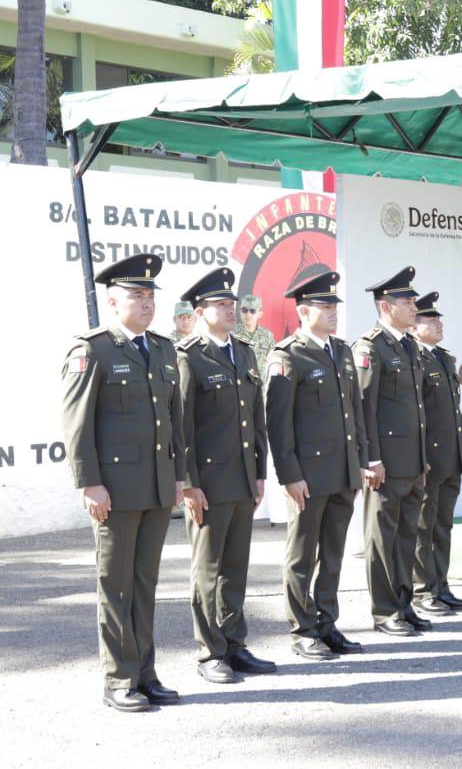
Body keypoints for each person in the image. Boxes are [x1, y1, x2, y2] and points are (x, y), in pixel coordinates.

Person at [61, 253, 187, 712]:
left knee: (145, 583)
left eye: (151, 295)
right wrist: (89, 483)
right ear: (112, 301)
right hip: (113, 489)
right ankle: (118, 680)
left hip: (155, 488)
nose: (147, 302)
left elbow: (174, 420)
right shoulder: (92, 349)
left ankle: (145, 673)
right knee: (115, 587)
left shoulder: (163, 348)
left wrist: (178, 479)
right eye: (137, 295)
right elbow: (77, 423)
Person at [174, 267, 275, 684]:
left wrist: (258, 473)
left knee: (235, 567)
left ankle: (234, 643)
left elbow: (256, 416)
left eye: (232, 304)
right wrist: (188, 483)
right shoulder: (188, 356)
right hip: (208, 483)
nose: (231, 310)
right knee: (207, 569)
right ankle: (209, 651)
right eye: (221, 304)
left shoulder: (244, 352)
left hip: (240, 479)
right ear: (200, 311)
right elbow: (181, 426)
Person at [266, 269, 370, 661]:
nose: (333, 312)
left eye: (334, 306)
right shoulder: (287, 355)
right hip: (308, 478)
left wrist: (358, 464)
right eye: (325, 307)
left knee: (333, 553)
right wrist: (290, 475)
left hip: (342, 474)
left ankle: (327, 623)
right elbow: (279, 424)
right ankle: (302, 628)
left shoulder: (341, 351)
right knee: (302, 555)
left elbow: (354, 415)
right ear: (304, 310)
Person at [354, 267, 432, 638]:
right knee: (382, 539)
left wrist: (422, 459)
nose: (414, 306)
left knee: (405, 537)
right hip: (384, 464)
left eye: (414, 300)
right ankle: (384, 611)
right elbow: (364, 407)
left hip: (411, 462)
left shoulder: (408, 344)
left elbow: (415, 409)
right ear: (386, 306)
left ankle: (403, 603)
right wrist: (370, 459)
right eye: (408, 301)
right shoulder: (370, 347)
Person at [410, 292, 462, 615]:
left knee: (443, 524)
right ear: (414, 327)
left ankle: (441, 584)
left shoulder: (445, 358)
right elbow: (418, 417)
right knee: (424, 525)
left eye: (439, 319)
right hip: (429, 458)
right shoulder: (415, 360)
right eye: (430, 319)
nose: (438, 323)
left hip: (449, 456)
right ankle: (423, 590)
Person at [233, 293, 276, 373]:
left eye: (252, 311)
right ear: (240, 311)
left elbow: (273, 362)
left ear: (260, 314)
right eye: (244, 310)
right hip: (240, 383)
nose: (248, 314)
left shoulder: (268, 336)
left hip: (260, 383)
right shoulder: (230, 334)